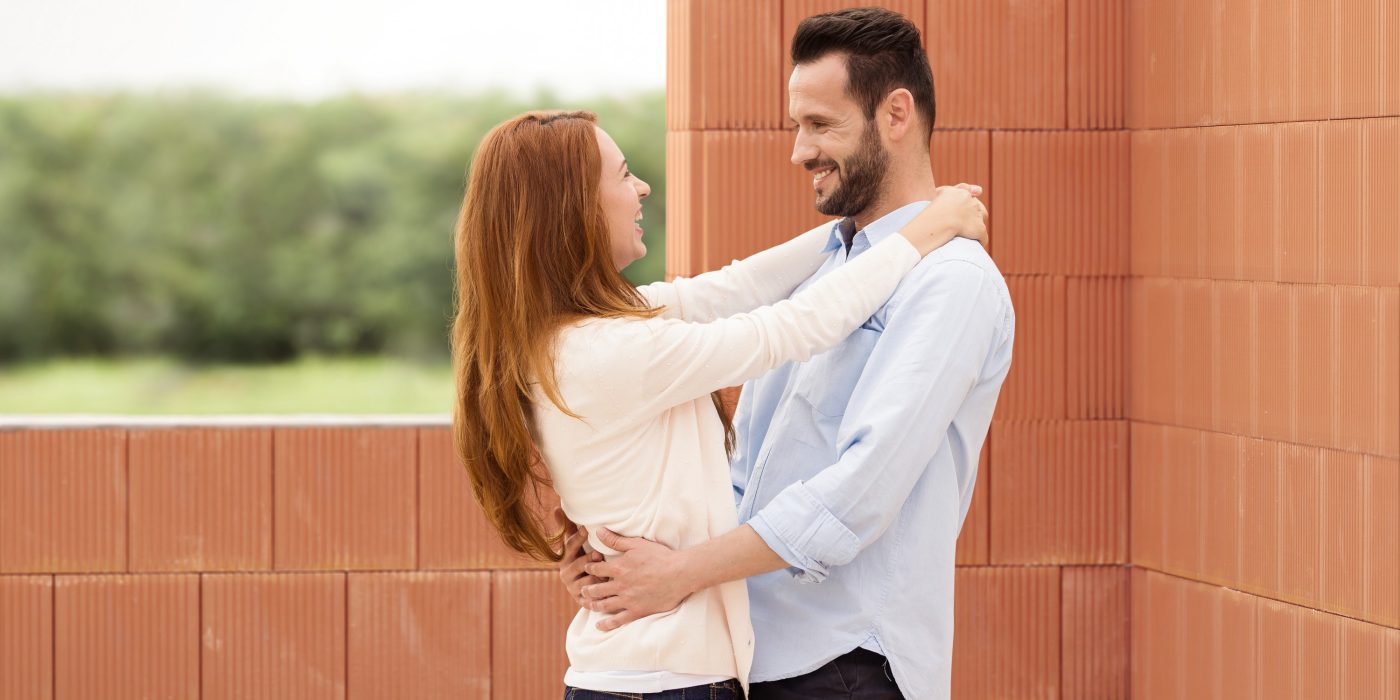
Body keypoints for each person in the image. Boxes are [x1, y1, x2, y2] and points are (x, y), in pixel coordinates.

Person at [451, 108, 988, 700]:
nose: (642, 188)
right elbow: (795, 326)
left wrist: (879, 226)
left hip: (641, 674)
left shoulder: (574, 335)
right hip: (664, 683)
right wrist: (924, 231)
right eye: (625, 176)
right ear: (572, 211)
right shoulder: (608, 351)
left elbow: (736, 286)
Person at [562, 8, 1015, 699]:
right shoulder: (827, 271)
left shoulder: (951, 281)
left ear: (896, 115)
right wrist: (614, 553)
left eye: (821, 126)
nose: (799, 152)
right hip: (752, 655)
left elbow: (858, 495)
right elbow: (743, 468)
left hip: (847, 666)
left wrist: (680, 572)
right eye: (797, 126)